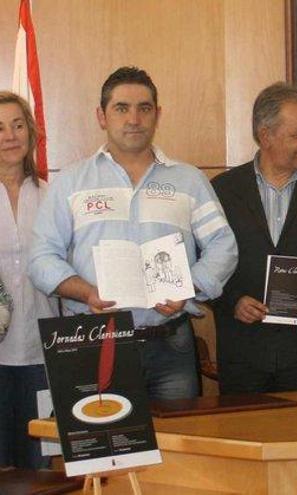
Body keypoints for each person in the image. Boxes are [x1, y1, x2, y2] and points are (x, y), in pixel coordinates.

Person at [29, 67, 237, 401]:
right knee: (105, 447)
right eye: (121, 108)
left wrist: (188, 287)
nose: (134, 119)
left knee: (179, 446)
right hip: (94, 340)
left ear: (158, 115)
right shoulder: (72, 182)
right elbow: (41, 258)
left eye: (144, 108)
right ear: (102, 116)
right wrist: (86, 293)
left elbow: (222, 246)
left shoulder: (188, 180)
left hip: (170, 344)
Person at [211, 83, 297, 394]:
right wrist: (232, 301)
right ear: (265, 134)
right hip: (244, 354)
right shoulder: (222, 191)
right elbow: (199, 266)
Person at [0, 92, 56, 469]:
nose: (9, 135)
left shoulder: (53, 197)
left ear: (31, 133)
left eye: (18, 125)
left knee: (40, 465)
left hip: (44, 353)